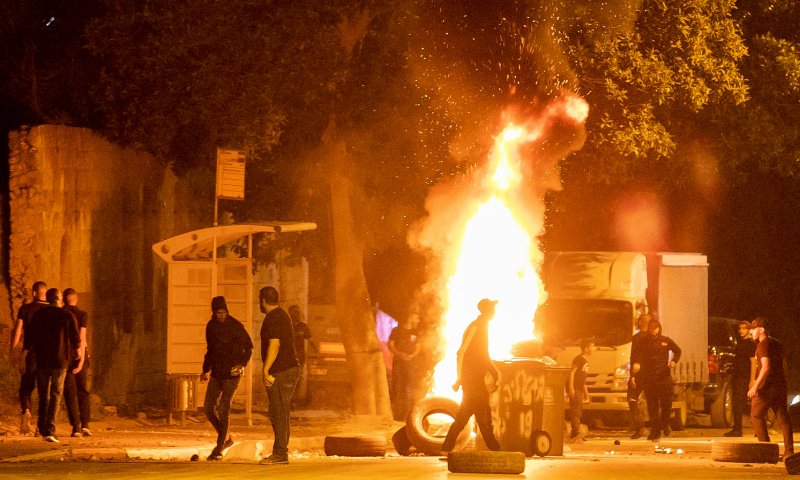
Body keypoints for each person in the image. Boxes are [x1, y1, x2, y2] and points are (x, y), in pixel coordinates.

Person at [440, 299, 502, 454]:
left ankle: (445, 448)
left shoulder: (483, 326)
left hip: (475, 380)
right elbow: (461, 352)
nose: (495, 311)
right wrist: (459, 378)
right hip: (472, 381)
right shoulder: (476, 327)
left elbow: (483, 355)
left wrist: (495, 372)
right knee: (484, 416)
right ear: (487, 310)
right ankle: (495, 448)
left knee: (464, 417)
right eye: (492, 308)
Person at [201, 296, 253, 460]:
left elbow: (249, 347)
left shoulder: (236, 326)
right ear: (214, 313)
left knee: (224, 409)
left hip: (232, 375)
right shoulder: (211, 327)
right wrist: (205, 370)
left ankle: (219, 448)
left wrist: (241, 365)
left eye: (224, 312)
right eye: (219, 313)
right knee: (209, 409)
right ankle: (226, 438)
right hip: (216, 374)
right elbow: (210, 350)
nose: (222, 315)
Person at [27, 288, 80, 443]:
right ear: (59, 298)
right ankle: (50, 429)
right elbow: (75, 338)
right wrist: (77, 353)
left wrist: (27, 354)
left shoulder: (39, 315)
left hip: (42, 360)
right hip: (60, 360)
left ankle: (41, 428)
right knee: (56, 394)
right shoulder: (66, 315)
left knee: (44, 395)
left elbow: (31, 337)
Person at [259, 286, 301, 465]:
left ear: (262, 301)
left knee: (278, 411)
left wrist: (265, 369)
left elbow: (274, 344)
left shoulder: (273, 318)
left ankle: (280, 454)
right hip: (288, 370)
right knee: (281, 411)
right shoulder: (283, 315)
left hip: (281, 372)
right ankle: (281, 451)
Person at [747, 316, 794, 459]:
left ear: (761, 330)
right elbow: (784, 364)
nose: (751, 332)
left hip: (766, 387)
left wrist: (755, 386)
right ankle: (789, 452)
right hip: (780, 385)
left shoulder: (763, 345)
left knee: (756, 415)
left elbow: (766, 367)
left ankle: (766, 451)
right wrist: (784, 381)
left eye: (753, 329)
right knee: (783, 419)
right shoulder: (777, 344)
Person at [632, 316, 681, 442]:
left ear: (659, 329)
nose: (653, 331)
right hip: (649, 378)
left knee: (666, 405)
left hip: (664, 377)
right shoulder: (643, 341)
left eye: (655, 329)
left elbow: (678, 351)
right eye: (651, 329)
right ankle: (655, 432)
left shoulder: (665, 341)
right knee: (652, 407)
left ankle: (664, 423)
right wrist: (636, 365)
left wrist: (674, 361)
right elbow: (635, 356)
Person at [10, 281, 48, 435]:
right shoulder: (53, 310)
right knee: (44, 391)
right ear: (44, 293)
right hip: (48, 356)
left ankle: (26, 410)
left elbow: (18, 331)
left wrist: (13, 351)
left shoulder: (25, 309)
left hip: (30, 353)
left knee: (26, 387)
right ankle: (41, 426)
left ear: (33, 293)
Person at [62, 288, 92, 438]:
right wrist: (81, 360)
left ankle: (76, 427)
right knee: (83, 391)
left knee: (70, 393)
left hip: (65, 357)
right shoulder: (82, 315)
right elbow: (82, 337)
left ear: (63, 300)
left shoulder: (60, 314)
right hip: (80, 356)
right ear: (76, 299)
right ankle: (86, 425)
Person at [724, 319, 757, 437]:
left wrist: (752, 380)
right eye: (740, 328)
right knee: (737, 403)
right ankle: (737, 428)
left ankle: (739, 429)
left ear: (749, 330)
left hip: (745, 377)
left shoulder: (750, 344)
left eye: (744, 328)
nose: (741, 331)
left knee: (740, 403)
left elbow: (753, 362)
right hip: (738, 376)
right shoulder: (741, 342)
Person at [389, 313, 421, 421]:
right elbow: (391, 345)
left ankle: (407, 414)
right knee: (399, 388)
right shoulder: (396, 331)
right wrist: (400, 354)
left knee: (409, 388)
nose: (417, 320)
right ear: (409, 318)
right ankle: (397, 415)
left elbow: (418, 347)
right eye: (416, 317)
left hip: (410, 365)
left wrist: (411, 355)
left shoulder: (415, 332)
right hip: (398, 363)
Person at [289, 304, 318, 407]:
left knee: (297, 381)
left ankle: (293, 401)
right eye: (294, 312)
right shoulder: (286, 326)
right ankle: (288, 401)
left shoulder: (303, 327)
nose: (296, 315)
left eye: (297, 312)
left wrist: (316, 351)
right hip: (288, 358)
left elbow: (310, 340)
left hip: (299, 359)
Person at [628, 313, 651, 439]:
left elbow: (634, 357)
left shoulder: (637, 338)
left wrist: (632, 376)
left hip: (639, 375)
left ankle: (640, 428)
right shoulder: (655, 338)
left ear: (641, 323)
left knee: (632, 399)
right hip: (651, 374)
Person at [568, 337, 594, 442]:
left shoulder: (585, 360)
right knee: (576, 411)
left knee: (578, 411)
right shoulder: (578, 359)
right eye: (592, 346)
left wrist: (586, 393)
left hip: (580, 389)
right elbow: (572, 373)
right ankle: (575, 434)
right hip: (576, 389)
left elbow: (583, 378)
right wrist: (571, 388)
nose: (594, 348)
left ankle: (576, 433)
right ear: (586, 348)